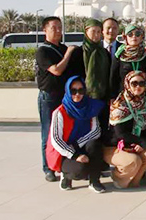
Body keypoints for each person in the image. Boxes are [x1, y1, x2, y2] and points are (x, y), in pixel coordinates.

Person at [36, 16, 80, 182]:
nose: (58, 31)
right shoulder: (43, 51)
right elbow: (56, 70)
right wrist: (68, 54)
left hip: (64, 97)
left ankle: (61, 165)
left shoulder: (62, 48)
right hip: (49, 97)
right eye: (53, 27)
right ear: (45, 30)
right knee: (48, 132)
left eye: (60, 27)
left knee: (64, 132)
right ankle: (48, 168)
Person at [46, 76, 106, 193]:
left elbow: (96, 131)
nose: (77, 94)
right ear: (68, 92)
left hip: (81, 146)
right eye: (73, 91)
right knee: (80, 171)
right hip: (65, 153)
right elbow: (56, 139)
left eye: (81, 90)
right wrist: (74, 155)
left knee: (95, 145)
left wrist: (77, 145)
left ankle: (94, 181)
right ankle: (66, 175)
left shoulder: (90, 107)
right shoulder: (59, 112)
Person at [104, 71, 146, 188]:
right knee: (133, 160)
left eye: (141, 83)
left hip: (133, 144)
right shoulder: (120, 105)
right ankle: (118, 177)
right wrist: (142, 142)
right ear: (127, 85)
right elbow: (120, 134)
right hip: (114, 146)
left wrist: (142, 144)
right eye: (134, 83)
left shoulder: (145, 104)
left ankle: (134, 182)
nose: (138, 87)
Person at [79, 19, 112, 132]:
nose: (97, 35)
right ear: (86, 32)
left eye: (99, 32)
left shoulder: (104, 53)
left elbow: (109, 76)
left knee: (102, 130)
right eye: (93, 31)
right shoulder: (79, 52)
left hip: (102, 99)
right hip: (84, 98)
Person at [110, 24, 146, 101]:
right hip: (124, 98)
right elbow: (113, 78)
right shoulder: (119, 56)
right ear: (125, 37)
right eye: (130, 34)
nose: (134, 37)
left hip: (144, 98)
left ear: (142, 37)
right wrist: (112, 97)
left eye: (137, 34)